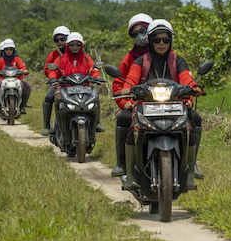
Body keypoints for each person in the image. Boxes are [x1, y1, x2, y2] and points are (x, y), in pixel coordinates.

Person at [122, 19, 204, 190]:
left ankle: (190, 172)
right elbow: (131, 78)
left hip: (174, 106)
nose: (161, 43)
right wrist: (127, 89)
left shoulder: (178, 60)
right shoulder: (140, 61)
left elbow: (186, 78)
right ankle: (130, 175)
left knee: (193, 121)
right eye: (157, 40)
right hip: (146, 107)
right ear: (150, 41)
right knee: (131, 129)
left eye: (165, 40)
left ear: (170, 41)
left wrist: (193, 88)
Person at [111, 13, 153, 177]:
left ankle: (187, 166)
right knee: (123, 118)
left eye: (142, 30)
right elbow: (119, 83)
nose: (140, 36)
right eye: (135, 34)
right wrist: (125, 102)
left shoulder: (166, 54)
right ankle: (122, 163)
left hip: (164, 101)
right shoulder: (130, 58)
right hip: (138, 103)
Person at [48, 32, 106, 132]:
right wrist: (52, 78)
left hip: (85, 89)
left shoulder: (87, 58)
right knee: (57, 99)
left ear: (81, 45)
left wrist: (97, 77)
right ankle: (57, 125)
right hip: (65, 88)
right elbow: (53, 71)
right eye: (72, 44)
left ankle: (97, 123)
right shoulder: (61, 59)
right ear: (68, 45)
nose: (75, 47)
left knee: (95, 97)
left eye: (78, 44)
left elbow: (93, 70)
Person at [42, 25, 70, 135]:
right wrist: (53, 78)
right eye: (56, 40)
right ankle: (46, 125)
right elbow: (46, 69)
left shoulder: (75, 52)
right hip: (58, 84)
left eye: (62, 39)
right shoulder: (53, 55)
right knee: (49, 97)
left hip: (76, 83)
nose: (59, 42)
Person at [0, 39, 31, 114]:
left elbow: (23, 68)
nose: (9, 51)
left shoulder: (17, 59)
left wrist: (24, 71)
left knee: (27, 87)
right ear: (4, 50)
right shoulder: (1, 60)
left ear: (13, 50)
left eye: (11, 49)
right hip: (3, 79)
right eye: (6, 49)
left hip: (16, 79)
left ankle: (22, 107)